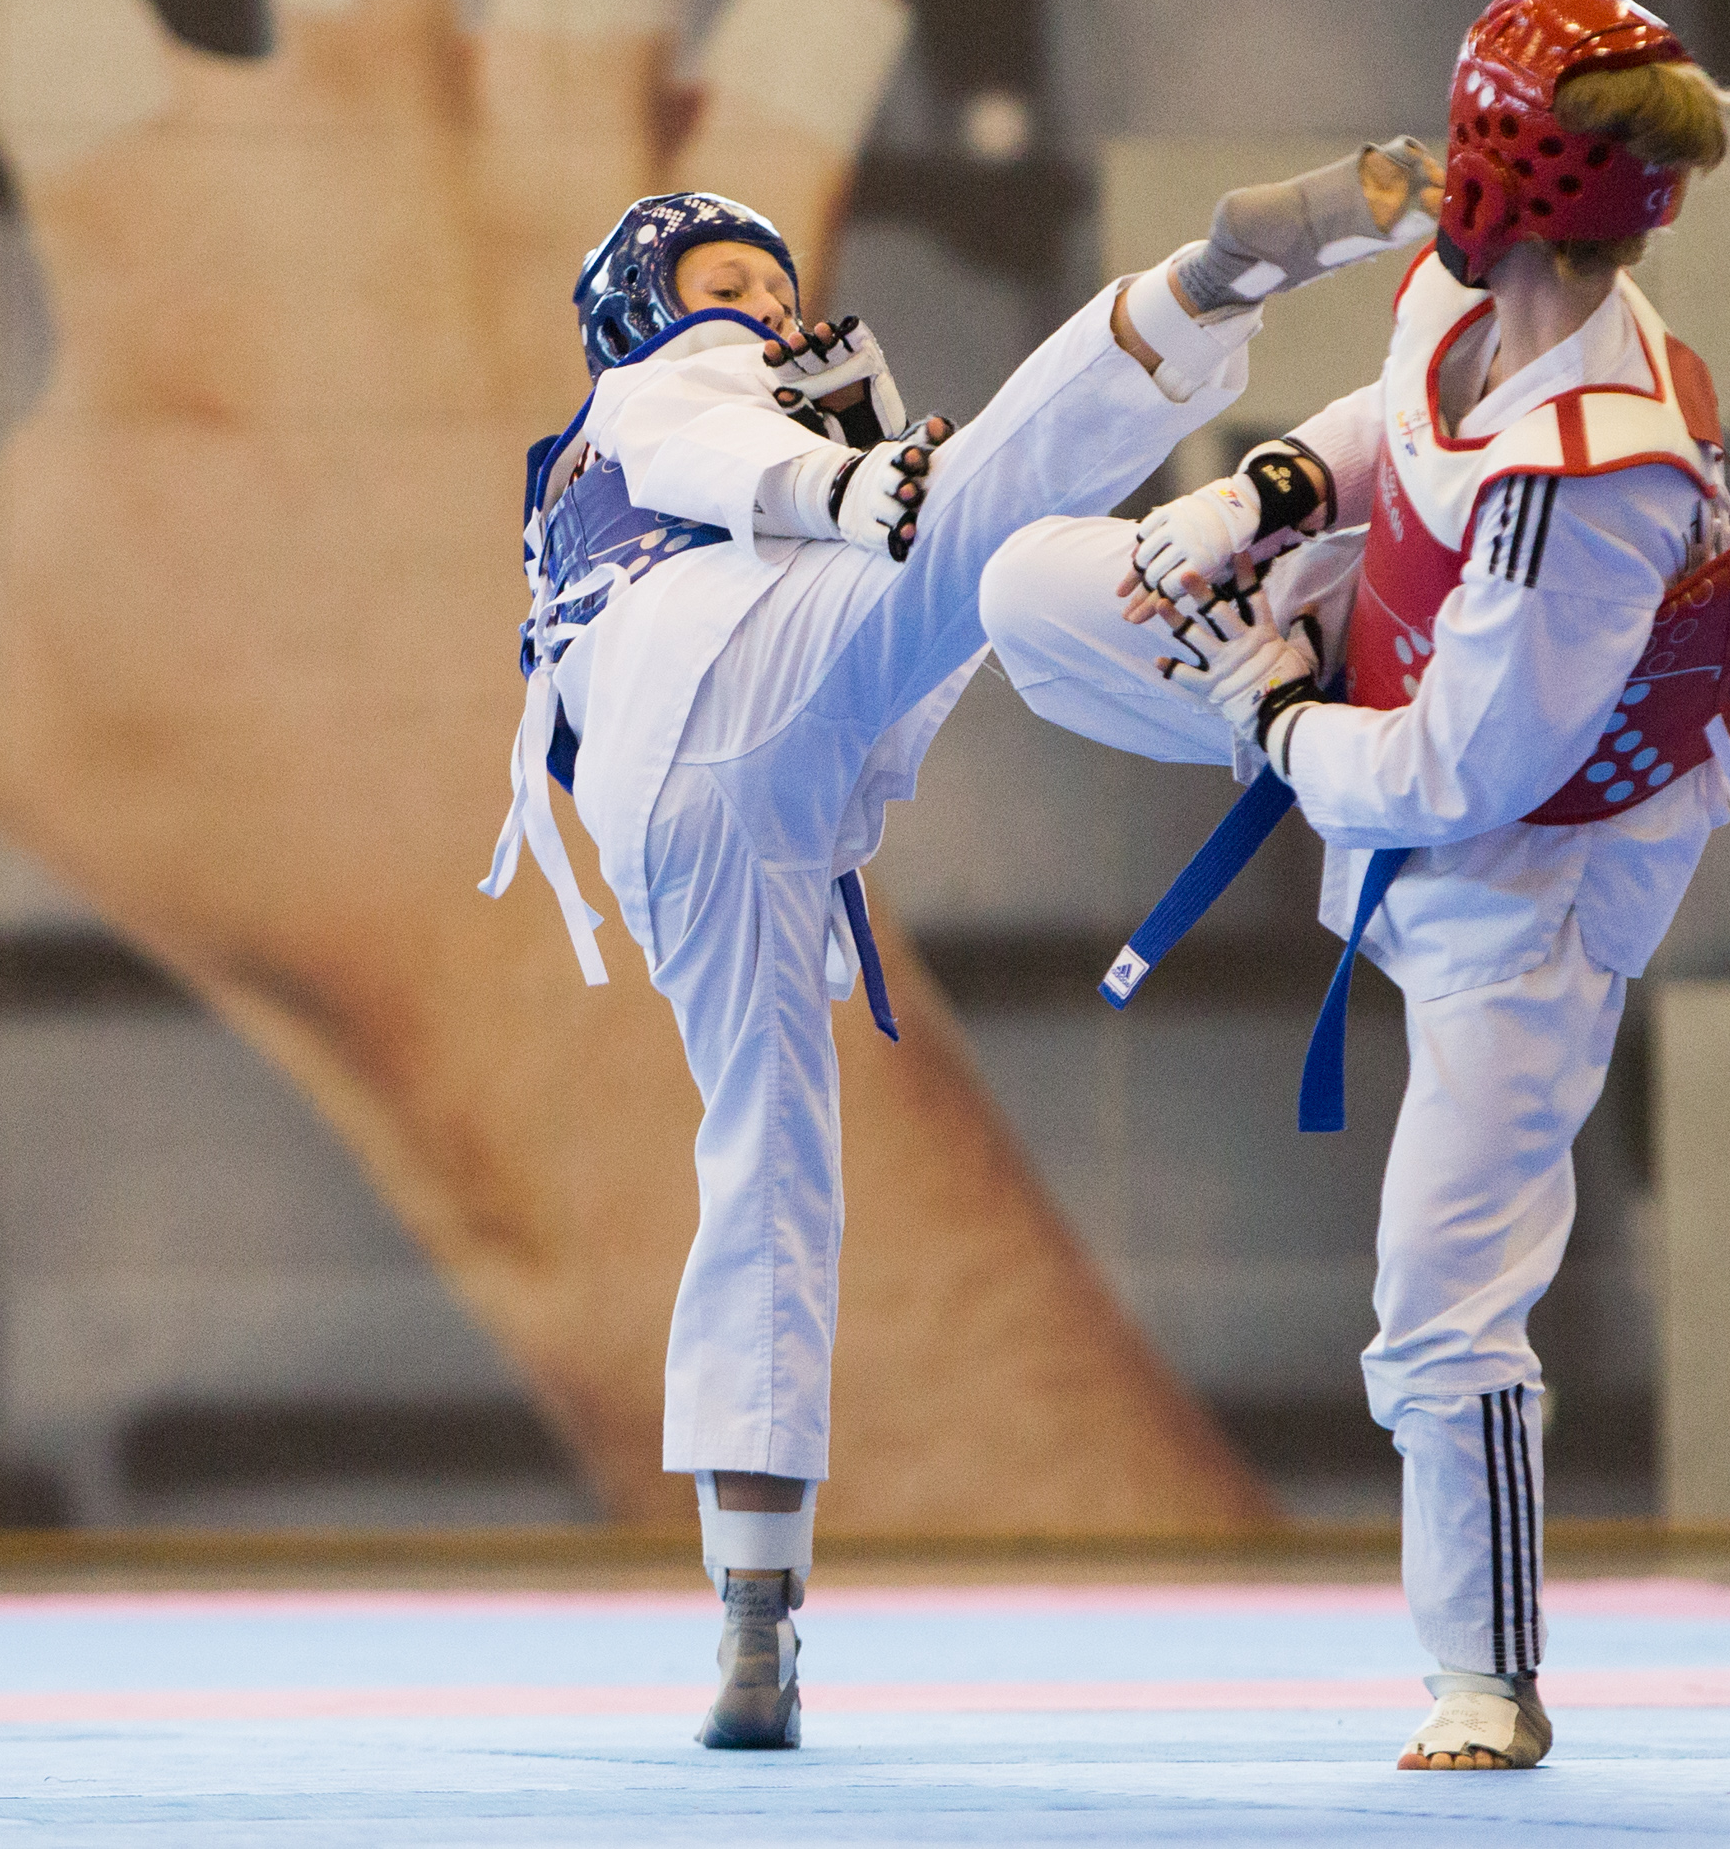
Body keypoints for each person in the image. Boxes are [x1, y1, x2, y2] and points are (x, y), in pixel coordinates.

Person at [483, 160, 1438, 1749]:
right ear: (641, 312)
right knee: (989, 514)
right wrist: (847, 487)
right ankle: (1209, 295)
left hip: (697, 811)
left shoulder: (596, 479)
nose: (766, 314)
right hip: (725, 664)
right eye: (729, 289)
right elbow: (705, 435)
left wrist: (852, 474)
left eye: (776, 290)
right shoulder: (655, 392)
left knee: (771, 1170)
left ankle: (754, 1616)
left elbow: (787, 477)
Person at [979, 0, 1730, 1770]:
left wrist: (1279, 721)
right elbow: (1393, 427)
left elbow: (1468, 771)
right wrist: (1260, 498)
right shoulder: (1464, 282)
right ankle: (1240, 677)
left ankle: (1486, 1680)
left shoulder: (1598, 469)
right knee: (1038, 587)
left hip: (1534, 867)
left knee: (1439, 1289)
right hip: (1386, 680)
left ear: (1518, 162)